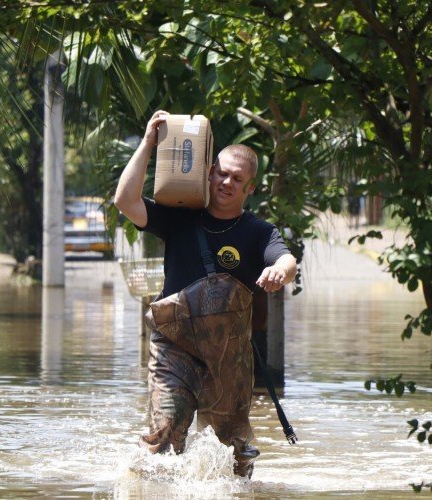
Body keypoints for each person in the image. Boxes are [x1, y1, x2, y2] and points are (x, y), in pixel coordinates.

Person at [114, 110, 297, 477]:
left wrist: (280, 271)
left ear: (250, 188)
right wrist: (149, 142)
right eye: (222, 173)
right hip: (173, 349)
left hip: (228, 359)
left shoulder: (258, 232)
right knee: (164, 437)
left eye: (237, 179)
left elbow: (287, 259)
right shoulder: (179, 216)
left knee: (233, 456)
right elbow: (125, 201)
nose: (227, 182)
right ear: (209, 172)